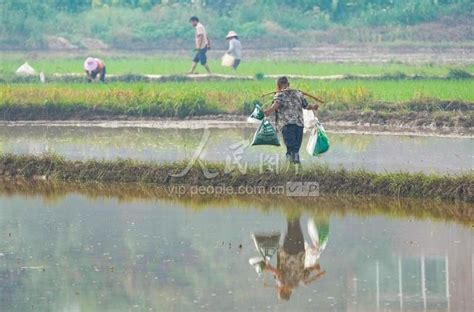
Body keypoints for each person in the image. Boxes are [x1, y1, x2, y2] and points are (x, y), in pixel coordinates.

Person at [263, 216, 326, 301]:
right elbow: (305, 271)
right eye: (281, 290)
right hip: (295, 251)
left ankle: (293, 209)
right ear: (286, 291)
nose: (280, 289)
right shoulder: (289, 282)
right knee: (294, 228)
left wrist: (315, 269)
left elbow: (279, 273)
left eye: (280, 290)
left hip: (294, 251)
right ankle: (293, 209)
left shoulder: (289, 282)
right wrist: (269, 268)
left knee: (294, 227)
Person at [264, 76, 319, 164]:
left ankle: (292, 167)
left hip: (287, 125)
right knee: (295, 148)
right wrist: (314, 107)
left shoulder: (280, 94)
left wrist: (268, 111)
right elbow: (306, 106)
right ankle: (295, 167)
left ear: (278, 86)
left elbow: (276, 105)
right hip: (299, 125)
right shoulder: (298, 93)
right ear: (288, 84)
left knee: (291, 148)